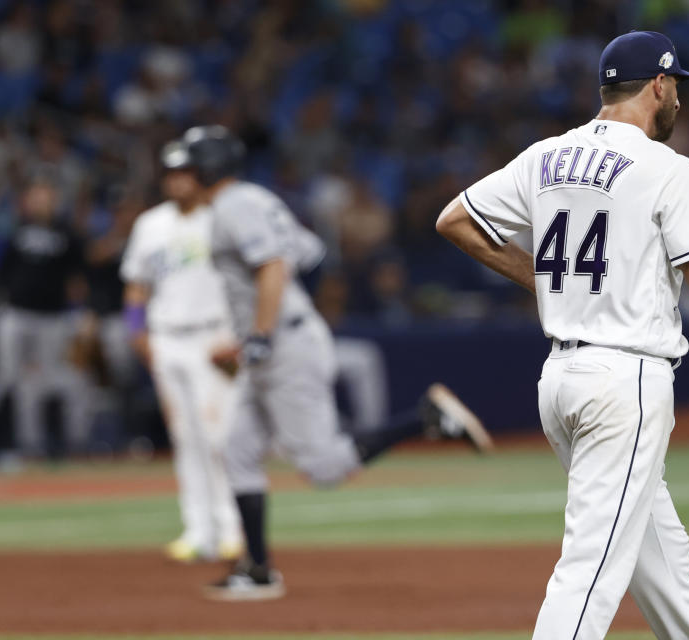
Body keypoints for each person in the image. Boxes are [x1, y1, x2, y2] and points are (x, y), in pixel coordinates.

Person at [436, 31, 689, 640]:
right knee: (588, 575)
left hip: (560, 380)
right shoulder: (666, 167)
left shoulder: (547, 155)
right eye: (677, 89)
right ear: (659, 85)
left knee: (664, 572)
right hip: (624, 381)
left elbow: (456, 221)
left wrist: (544, 283)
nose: (680, 104)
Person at [169, 125, 492, 601]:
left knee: (323, 467)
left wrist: (258, 335)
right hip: (282, 336)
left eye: (186, 167)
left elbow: (273, 265)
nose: (177, 177)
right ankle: (257, 570)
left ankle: (426, 419)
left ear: (207, 168)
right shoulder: (255, 201)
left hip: (281, 344)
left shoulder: (235, 207)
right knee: (238, 450)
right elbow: (308, 254)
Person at [120, 142, 244, 563]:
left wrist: (241, 337)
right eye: (170, 173)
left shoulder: (220, 219)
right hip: (167, 338)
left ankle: (233, 528)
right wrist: (137, 333)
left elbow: (245, 280)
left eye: (185, 172)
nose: (177, 180)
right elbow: (136, 285)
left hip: (214, 339)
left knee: (220, 437)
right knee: (185, 438)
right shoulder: (150, 225)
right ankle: (198, 532)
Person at [0, 178, 86, 460]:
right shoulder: (16, 229)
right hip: (17, 313)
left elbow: (78, 280)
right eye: (37, 196)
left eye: (47, 196)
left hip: (53, 317)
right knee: (5, 375)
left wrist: (81, 315)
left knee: (40, 383)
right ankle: (13, 444)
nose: (42, 201)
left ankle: (33, 446)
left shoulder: (67, 234)